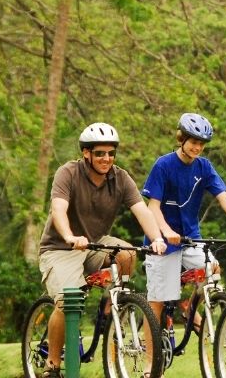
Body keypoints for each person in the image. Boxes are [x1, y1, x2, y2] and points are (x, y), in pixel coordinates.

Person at [36, 122, 168, 378]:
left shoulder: (120, 177)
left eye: (110, 153)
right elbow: (58, 210)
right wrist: (69, 236)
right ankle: (52, 365)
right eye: (99, 153)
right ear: (86, 153)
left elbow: (141, 210)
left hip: (95, 243)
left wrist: (157, 238)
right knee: (68, 301)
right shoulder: (68, 173)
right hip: (60, 247)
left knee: (127, 253)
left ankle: (113, 306)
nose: (106, 158)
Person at [140, 112, 226, 364]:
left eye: (201, 144)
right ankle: (151, 364)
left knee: (212, 269)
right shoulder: (164, 164)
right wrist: (165, 231)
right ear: (181, 138)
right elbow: (153, 207)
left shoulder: (204, 167)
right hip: (162, 242)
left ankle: (189, 309)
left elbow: (225, 199)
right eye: (193, 141)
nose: (197, 147)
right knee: (156, 303)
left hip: (191, 238)